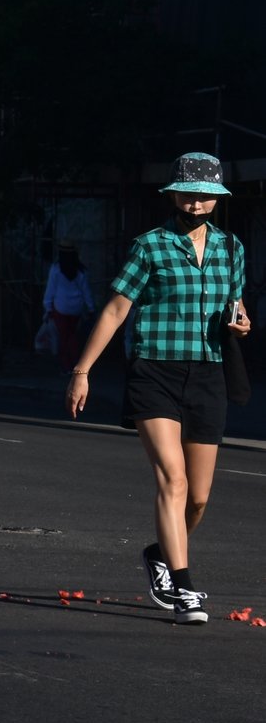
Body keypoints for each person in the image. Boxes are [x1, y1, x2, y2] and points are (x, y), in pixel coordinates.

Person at [66, 154, 252, 625]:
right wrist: (82, 371)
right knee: (174, 478)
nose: (196, 202)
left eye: (205, 194)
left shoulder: (232, 248)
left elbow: (236, 304)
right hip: (155, 372)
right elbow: (114, 309)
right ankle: (184, 588)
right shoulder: (149, 247)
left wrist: (242, 322)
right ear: (172, 196)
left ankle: (161, 554)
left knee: (200, 497)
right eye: (188, 193)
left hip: (208, 372)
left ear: (218, 198)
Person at [43, 243, 96, 368]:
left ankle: (66, 365)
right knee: (72, 335)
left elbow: (50, 289)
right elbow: (86, 291)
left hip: (60, 307)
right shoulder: (81, 271)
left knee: (63, 337)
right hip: (76, 308)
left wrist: (48, 307)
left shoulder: (55, 269)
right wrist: (91, 308)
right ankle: (75, 363)